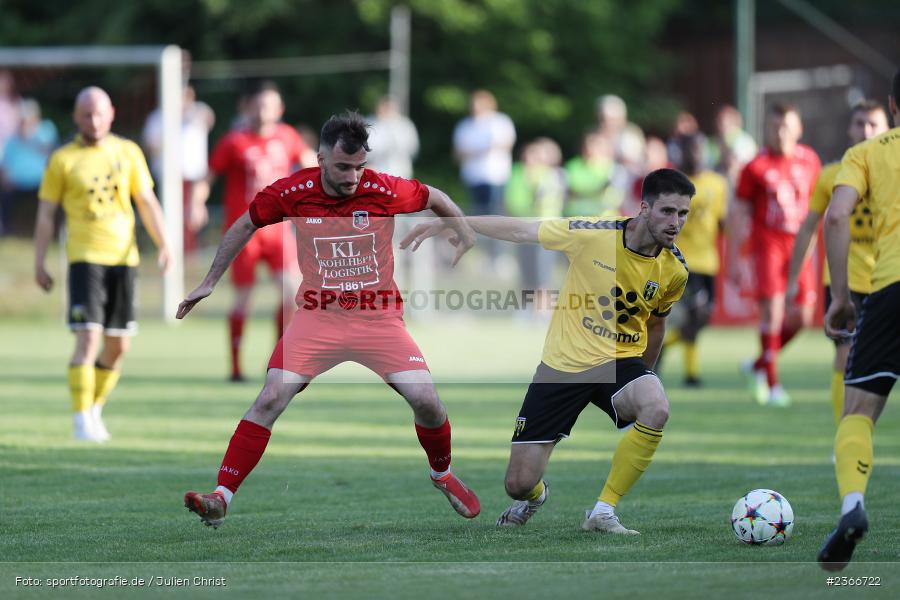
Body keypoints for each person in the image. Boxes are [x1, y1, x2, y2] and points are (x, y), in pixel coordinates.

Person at [178, 111, 481, 528]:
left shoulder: (384, 188)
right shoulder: (294, 191)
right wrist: (210, 281)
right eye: (343, 167)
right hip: (318, 317)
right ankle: (221, 497)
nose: (354, 177)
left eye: (360, 167)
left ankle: (442, 474)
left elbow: (434, 196)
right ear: (320, 158)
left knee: (427, 401)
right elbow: (246, 222)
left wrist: (463, 232)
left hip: (378, 319)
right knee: (269, 397)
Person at [402, 168, 694, 534]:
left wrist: (645, 377)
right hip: (563, 366)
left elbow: (656, 325)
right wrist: (457, 222)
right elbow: (523, 230)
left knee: (657, 406)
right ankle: (536, 496)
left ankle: (603, 512)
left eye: (683, 214)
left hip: (620, 361)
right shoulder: (594, 234)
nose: (676, 222)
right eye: (668, 211)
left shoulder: (675, 270)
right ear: (644, 208)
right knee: (518, 484)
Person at [33, 86, 171, 442]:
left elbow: (147, 202)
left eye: (98, 113)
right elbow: (47, 214)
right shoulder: (62, 159)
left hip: (124, 260)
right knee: (88, 338)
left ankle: (93, 409)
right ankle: (81, 421)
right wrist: (40, 260)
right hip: (84, 259)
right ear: (76, 117)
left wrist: (165, 244)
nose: (92, 120)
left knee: (119, 345)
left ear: (111, 113)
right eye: (85, 114)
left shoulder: (128, 152)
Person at [817, 69, 900, 571]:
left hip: (889, 289)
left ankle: (852, 508)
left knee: (858, 411)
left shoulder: (867, 153)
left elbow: (835, 215)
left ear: (892, 104)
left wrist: (840, 296)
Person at [190, 80, 316, 382]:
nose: (264, 111)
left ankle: (279, 359)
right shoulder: (235, 142)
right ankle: (235, 367)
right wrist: (196, 203)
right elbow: (208, 177)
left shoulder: (288, 137)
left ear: (279, 109)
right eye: (259, 105)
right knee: (244, 298)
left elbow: (311, 164)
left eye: (270, 106)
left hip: (279, 232)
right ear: (249, 107)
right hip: (245, 233)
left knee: (292, 293)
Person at [786, 100, 889, 424]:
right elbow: (809, 228)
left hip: (887, 277)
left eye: (873, 124)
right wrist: (792, 280)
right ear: (849, 128)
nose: (866, 131)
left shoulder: (893, 171)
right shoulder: (831, 174)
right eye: (860, 123)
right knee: (845, 356)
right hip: (846, 280)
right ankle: (845, 433)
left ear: (888, 128)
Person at [729, 104, 821, 407]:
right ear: (767, 129)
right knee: (773, 312)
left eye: (786, 127)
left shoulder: (810, 160)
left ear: (799, 129)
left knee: (803, 317)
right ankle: (772, 384)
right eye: (775, 127)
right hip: (768, 245)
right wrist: (735, 257)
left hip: (801, 245)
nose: (780, 133)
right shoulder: (755, 165)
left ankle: (758, 363)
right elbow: (739, 211)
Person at [662, 134, 728, 386]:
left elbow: (721, 221)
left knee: (703, 317)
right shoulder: (673, 183)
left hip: (708, 261)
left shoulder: (717, 184)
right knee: (695, 314)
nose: (695, 155)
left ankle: (664, 344)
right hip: (681, 260)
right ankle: (691, 373)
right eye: (691, 150)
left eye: (699, 149)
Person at [141, 84, 215, 255]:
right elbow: (150, 145)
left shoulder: (197, 113)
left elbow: (209, 118)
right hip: (168, 179)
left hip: (193, 178)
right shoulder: (158, 118)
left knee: (192, 221)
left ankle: (191, 257)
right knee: (171, 221)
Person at [1, 98, 58, 235]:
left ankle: (50, 230)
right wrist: (5, 177)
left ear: (35, 118)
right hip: (16, 183)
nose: (24, 123)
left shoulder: (46, 131)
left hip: (41, 181)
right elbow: (4, 164)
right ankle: (6, 229)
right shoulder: (12, 139)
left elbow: (53, 154)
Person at [366, 96, 419, 178]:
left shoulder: (404, 124)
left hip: (399, 170)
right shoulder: (369, 123)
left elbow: (412, 148)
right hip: (374, 170)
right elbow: (365, 148)